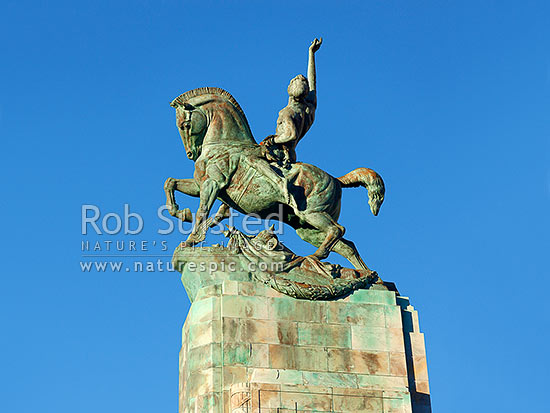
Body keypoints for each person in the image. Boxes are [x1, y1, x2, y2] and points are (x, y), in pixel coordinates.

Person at [261, 37, 322, 167]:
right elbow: (313, 82)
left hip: (279, 154)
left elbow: (291, 134)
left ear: (289, 89)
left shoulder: (287, 112)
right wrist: (311, 54)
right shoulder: (309, 108)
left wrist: (272, 140)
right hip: (291, 154)